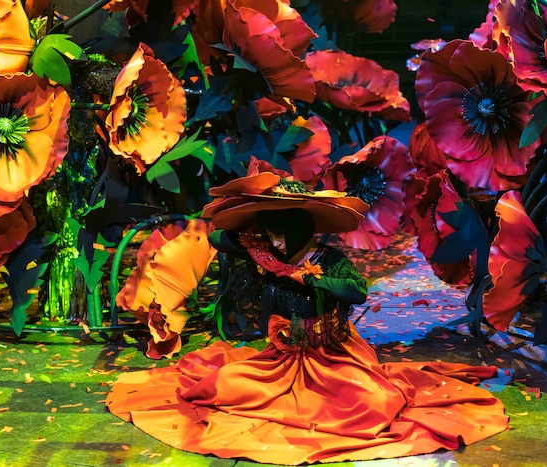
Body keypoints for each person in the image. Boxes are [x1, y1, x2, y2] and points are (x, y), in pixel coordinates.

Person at [105, 167, 508, 464]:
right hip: (280, 362)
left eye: (283, 232)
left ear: (303, 228)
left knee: (374, 404)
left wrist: (308, 278)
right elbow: (218, 237)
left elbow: (356, 291)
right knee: (222, 384)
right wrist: (254, 224)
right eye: (270, 232)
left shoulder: (326, 258)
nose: (276, 241)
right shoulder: (264, 257)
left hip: (335, 358)